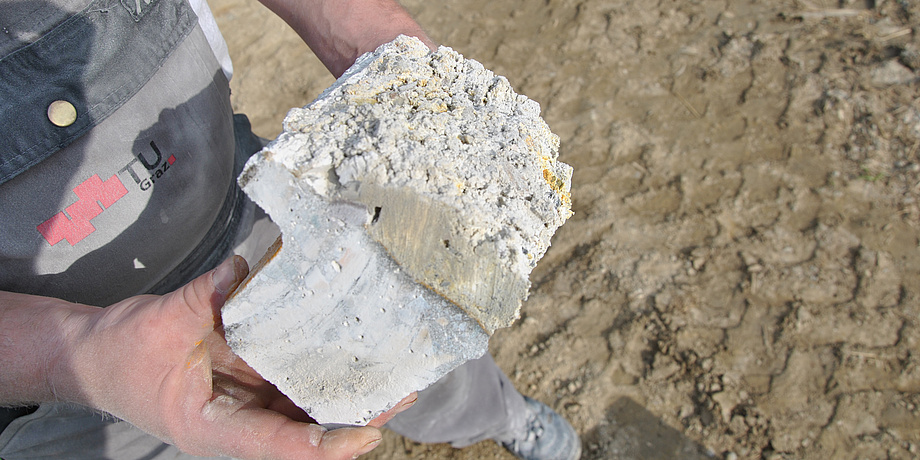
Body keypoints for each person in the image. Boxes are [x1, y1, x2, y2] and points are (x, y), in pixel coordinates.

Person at [0, 0, 581, 459]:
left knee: (419, 349)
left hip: (252, 220)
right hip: (60, 361)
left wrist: (392, 55)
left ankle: (499, 416)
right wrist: (69, 358)